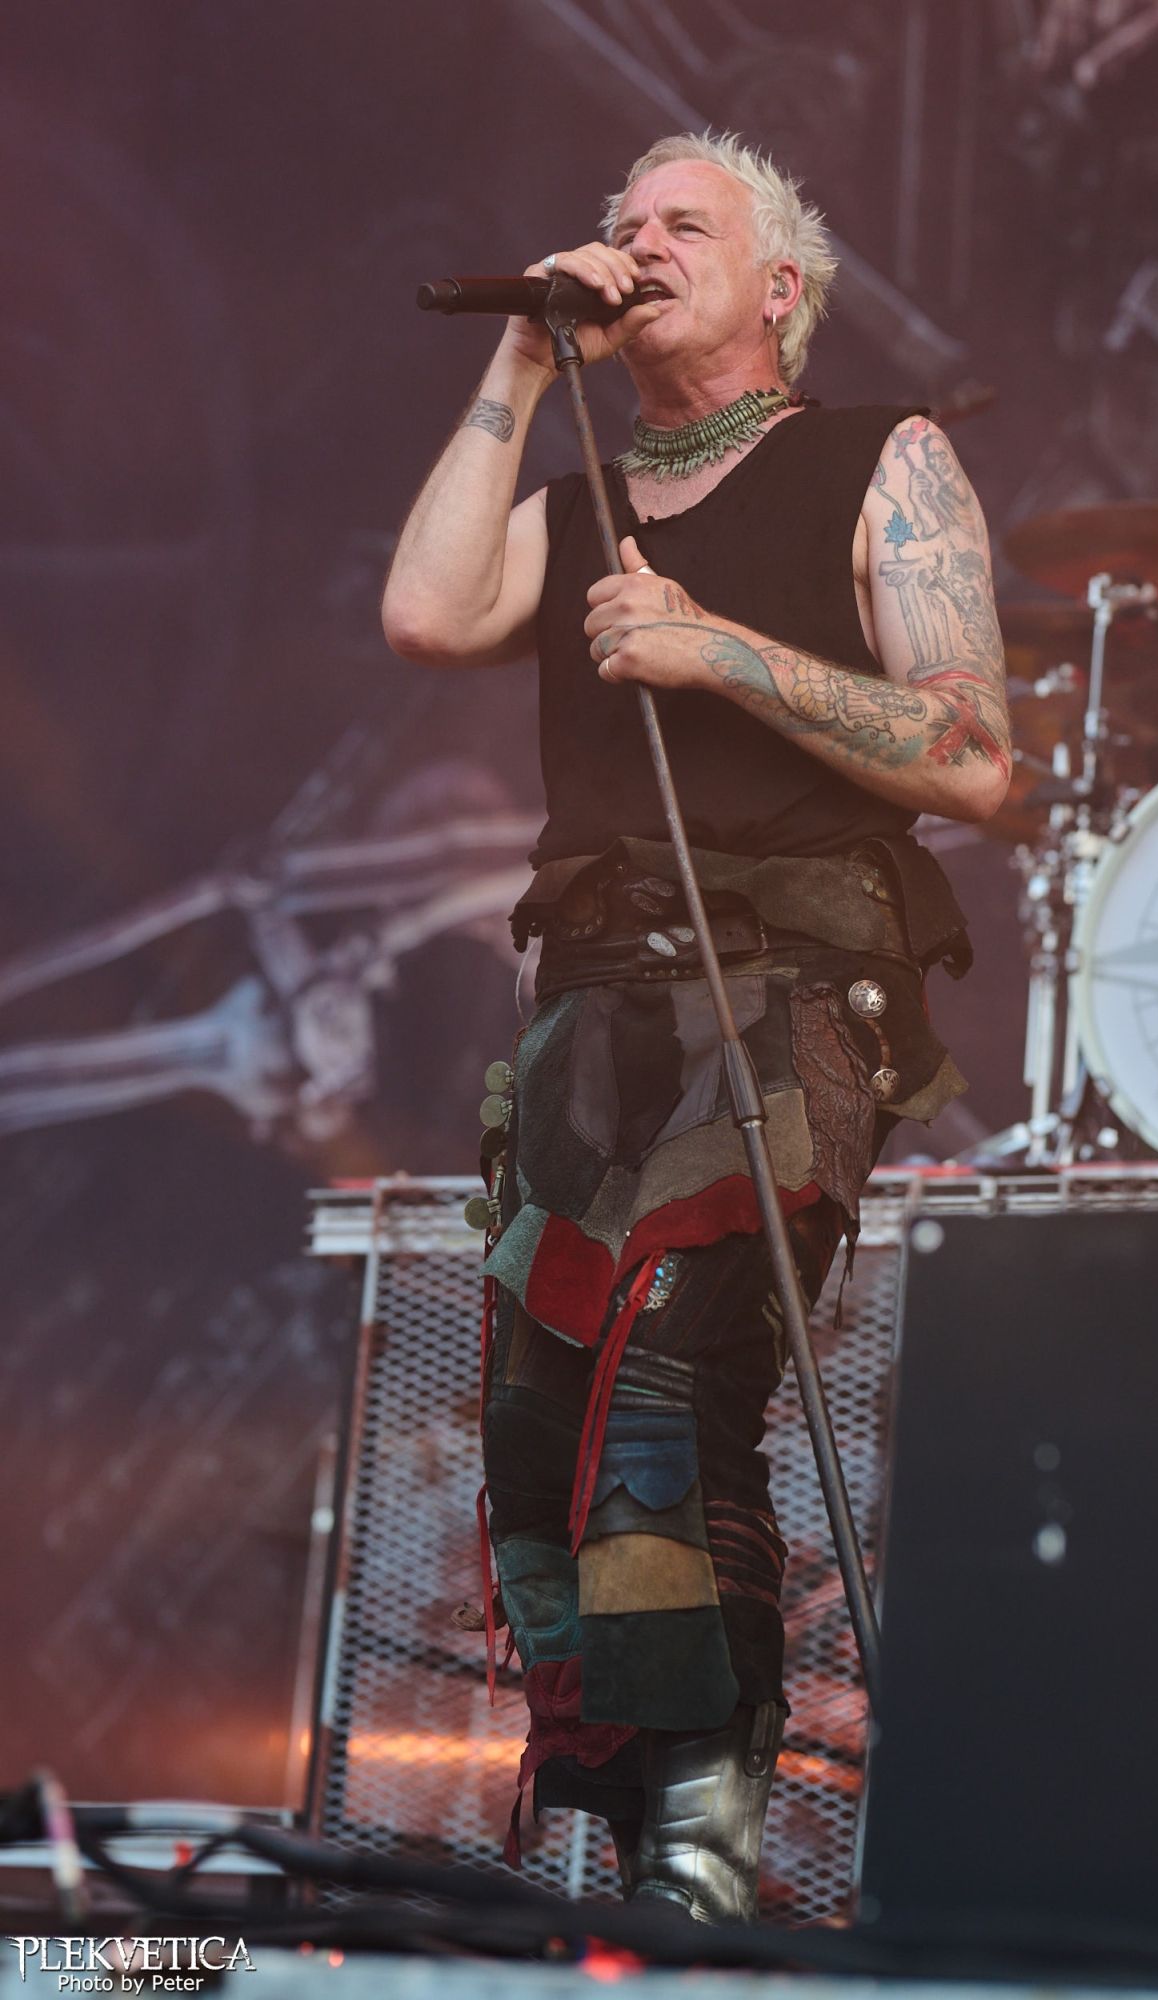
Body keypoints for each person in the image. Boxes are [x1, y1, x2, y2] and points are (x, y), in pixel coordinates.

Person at [382, 131, 1011, 1923]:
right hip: (593, 1004)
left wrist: (715, 648)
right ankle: (630, 1843)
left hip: (791, 995)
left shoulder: (877, 459)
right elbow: (427, 613)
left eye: (682, 225)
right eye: (617, 224)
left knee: (666, 1394)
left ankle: (702, 1854)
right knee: (537, 1429)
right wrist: (525, 360)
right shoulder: (575, 487)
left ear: (778, 289)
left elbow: (972, 753)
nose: (634, 244)